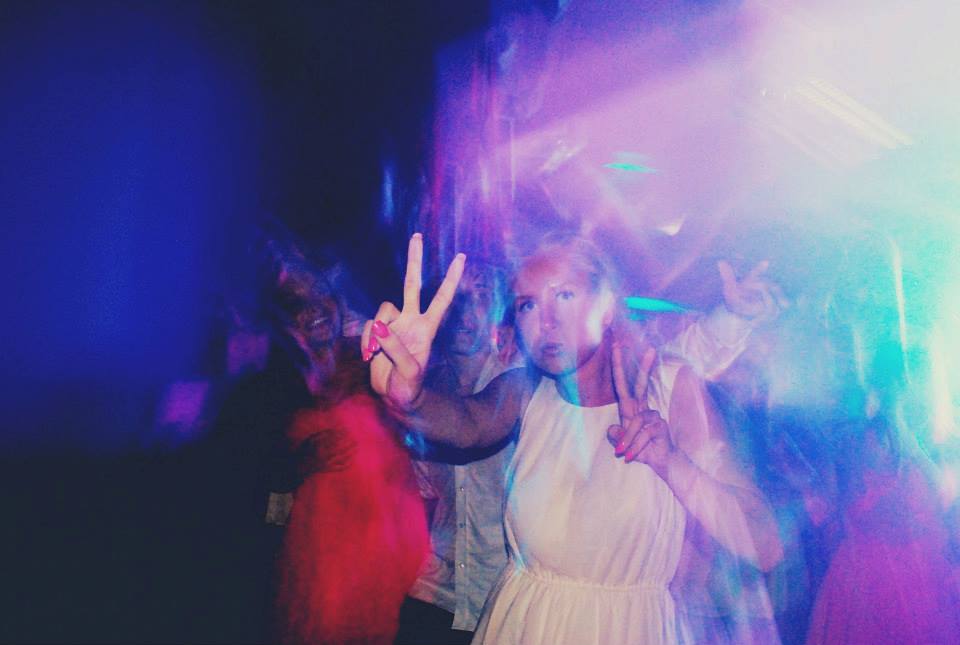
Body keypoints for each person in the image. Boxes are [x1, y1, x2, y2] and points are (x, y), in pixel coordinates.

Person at [363, 232, 783, 644]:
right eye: (528, 304)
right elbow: (466, 423)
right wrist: (411, 398)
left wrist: (671, 461)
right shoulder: (526, 389)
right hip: (519, 624)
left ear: (606, 307)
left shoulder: (669, 388)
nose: (546, 322)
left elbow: (764, 545)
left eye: (564, 295)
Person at [273, 276, 429, 645]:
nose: (313, 309)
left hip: (378, 549)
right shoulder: (281, 382)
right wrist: (300, 461)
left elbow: (421, 428)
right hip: (313, 556)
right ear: (285, 321)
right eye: (297, 304)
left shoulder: (373, 362)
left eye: (320, 295)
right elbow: (259, 467)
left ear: (338, 303)